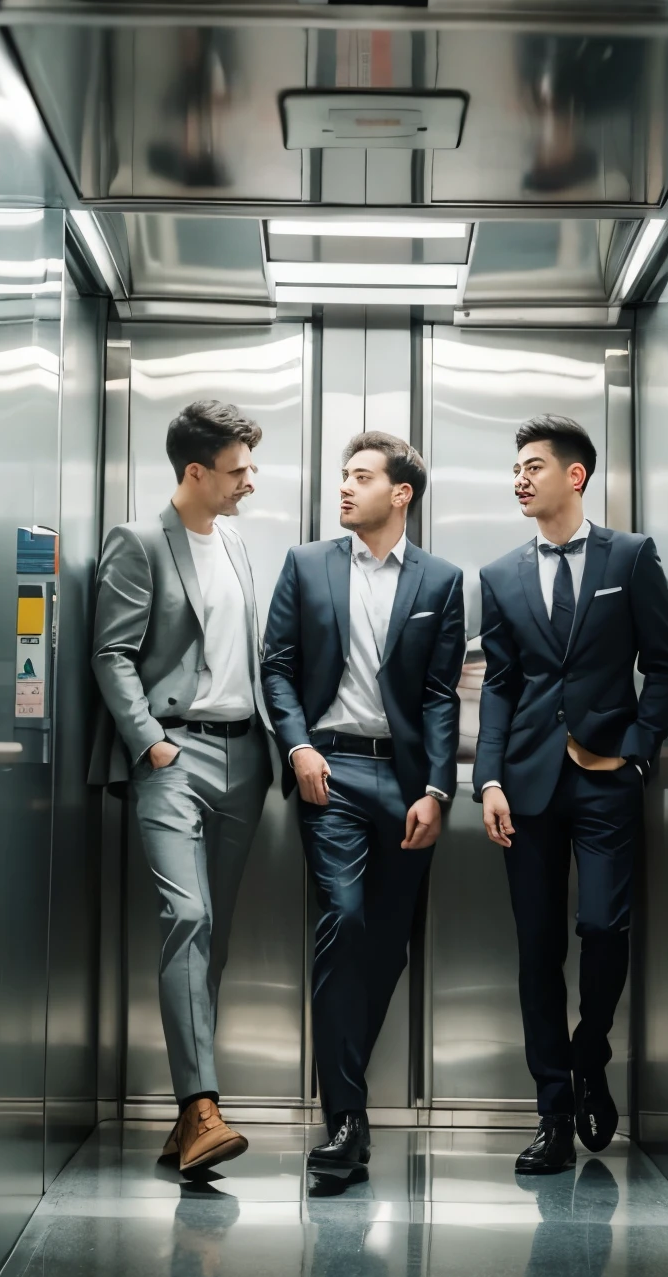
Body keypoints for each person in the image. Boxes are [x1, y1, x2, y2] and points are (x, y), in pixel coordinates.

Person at [474, 416, 668, 1175]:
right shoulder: (499, 576)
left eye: (533, 466)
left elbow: (662, 664)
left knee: (602, 926)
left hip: (605, 780)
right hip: (525, 784)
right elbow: (499, 685)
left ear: (576, 475)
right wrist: (488, 778)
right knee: (537, 951)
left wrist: (637, 752)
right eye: (516, 468)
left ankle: (591, 1050)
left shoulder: (630, 556)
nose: (521, 479)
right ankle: (552, 1112)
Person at [262, 431, 465, 1178]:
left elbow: (442, 695)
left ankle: (346, 1107)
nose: (344, 488)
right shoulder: (307, 565)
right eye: (342, 476)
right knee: (342, 919)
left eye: (360, 477)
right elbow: (277, 666)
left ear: (400, 493)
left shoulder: (441, 581)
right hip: (331, 775)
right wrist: (298, 747)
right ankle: (346, 1117)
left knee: (387, 946)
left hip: (408, 784)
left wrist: (438, 789)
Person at [88, 401, 273, 1175]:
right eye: (237, 471)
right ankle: (201, 1107)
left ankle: (185, 1122)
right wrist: (152, 744)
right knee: (186, 918)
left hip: (244, 759)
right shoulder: (137, 543)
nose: (248, 484)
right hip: (176, 756)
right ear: (194, 472)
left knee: (214, 937)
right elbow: (112, 653)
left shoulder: (233, 542)